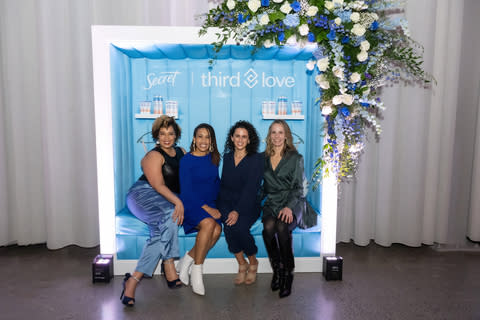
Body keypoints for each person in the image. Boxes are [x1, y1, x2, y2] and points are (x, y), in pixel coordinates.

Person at [120, 115, 185, 307]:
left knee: (159, 232)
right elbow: (157, 185)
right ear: (156, 135)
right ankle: (169, 264)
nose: (167, 137)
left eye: (171, 133)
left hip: (167, 198)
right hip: (142, 195)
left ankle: (132, 281)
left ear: (176, 135)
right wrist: (178, 203)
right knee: (170, 215)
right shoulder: (153, 156)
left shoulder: (182, 152)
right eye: (162, 133)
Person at [260, 119, 314, 298]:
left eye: (280, 132)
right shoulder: (263, 158)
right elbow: (260, 187)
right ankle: (277, 270)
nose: (277, 136)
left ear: (286, 135)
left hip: (293, 202)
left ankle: (287, 273)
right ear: (269, 135)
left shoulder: (295, 158)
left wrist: (289, 207)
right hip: (272, 202)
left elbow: (299, 187)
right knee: (268, 228)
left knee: (282, 227)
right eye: (273, 132)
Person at [176, 123, 222, 296]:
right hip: (191, 204)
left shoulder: (214, 158)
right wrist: (209, 210)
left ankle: (187, 259)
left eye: (207, 136)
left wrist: (221, 206)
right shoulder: (187, 160)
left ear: (211, 140)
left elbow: (216, 184)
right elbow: (186, 191)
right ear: (194, 139)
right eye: (200, 136)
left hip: (210, 203)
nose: (204, 140)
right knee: (210, 224)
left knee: (217, 230)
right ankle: (197, 271)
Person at [217, 121, 263, 285]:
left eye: (244, 137)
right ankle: (241, 264)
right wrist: (224, 208)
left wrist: (236, 211)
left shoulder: (256, 159)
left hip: (248, 204)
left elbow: (251, 189)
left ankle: (253, 262)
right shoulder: (228, 158)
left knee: (240, 228)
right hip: (228, 203)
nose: (240, 140)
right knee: (228, 227)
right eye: (237, 136)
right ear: (232, 137)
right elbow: (224, 186)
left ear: (249, 140)